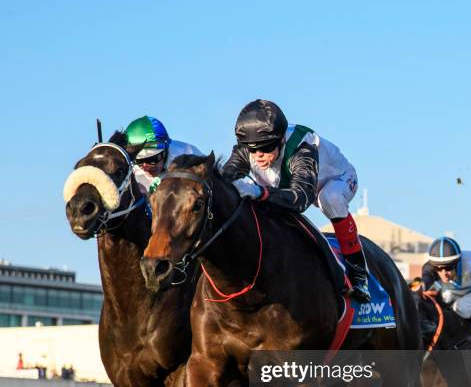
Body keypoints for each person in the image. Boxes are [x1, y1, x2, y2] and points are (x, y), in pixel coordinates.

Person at [222, 99, 370, 302]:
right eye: (251, 149)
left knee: (330, 199)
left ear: (281, 140)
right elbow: (224, 182)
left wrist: (260, 192)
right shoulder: (246, 148)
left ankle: (359, 271)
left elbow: (301, 199)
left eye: (265, 148)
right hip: (285, 186)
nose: (258, 156)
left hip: (334, 180)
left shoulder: (303, 146)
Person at [422, 236, 471, 346]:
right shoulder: (429, 269)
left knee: (461, 307)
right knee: (441, 300)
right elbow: (423, 286)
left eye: (448, 267)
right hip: (458, 295)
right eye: (438, 268)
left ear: (457, 262)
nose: (444, 273)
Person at [125, 115, 202, 195]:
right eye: (139, 161)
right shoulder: (129, 169)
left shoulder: (188, 153)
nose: (145, 166)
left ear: (165, 151)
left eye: (151, 159)